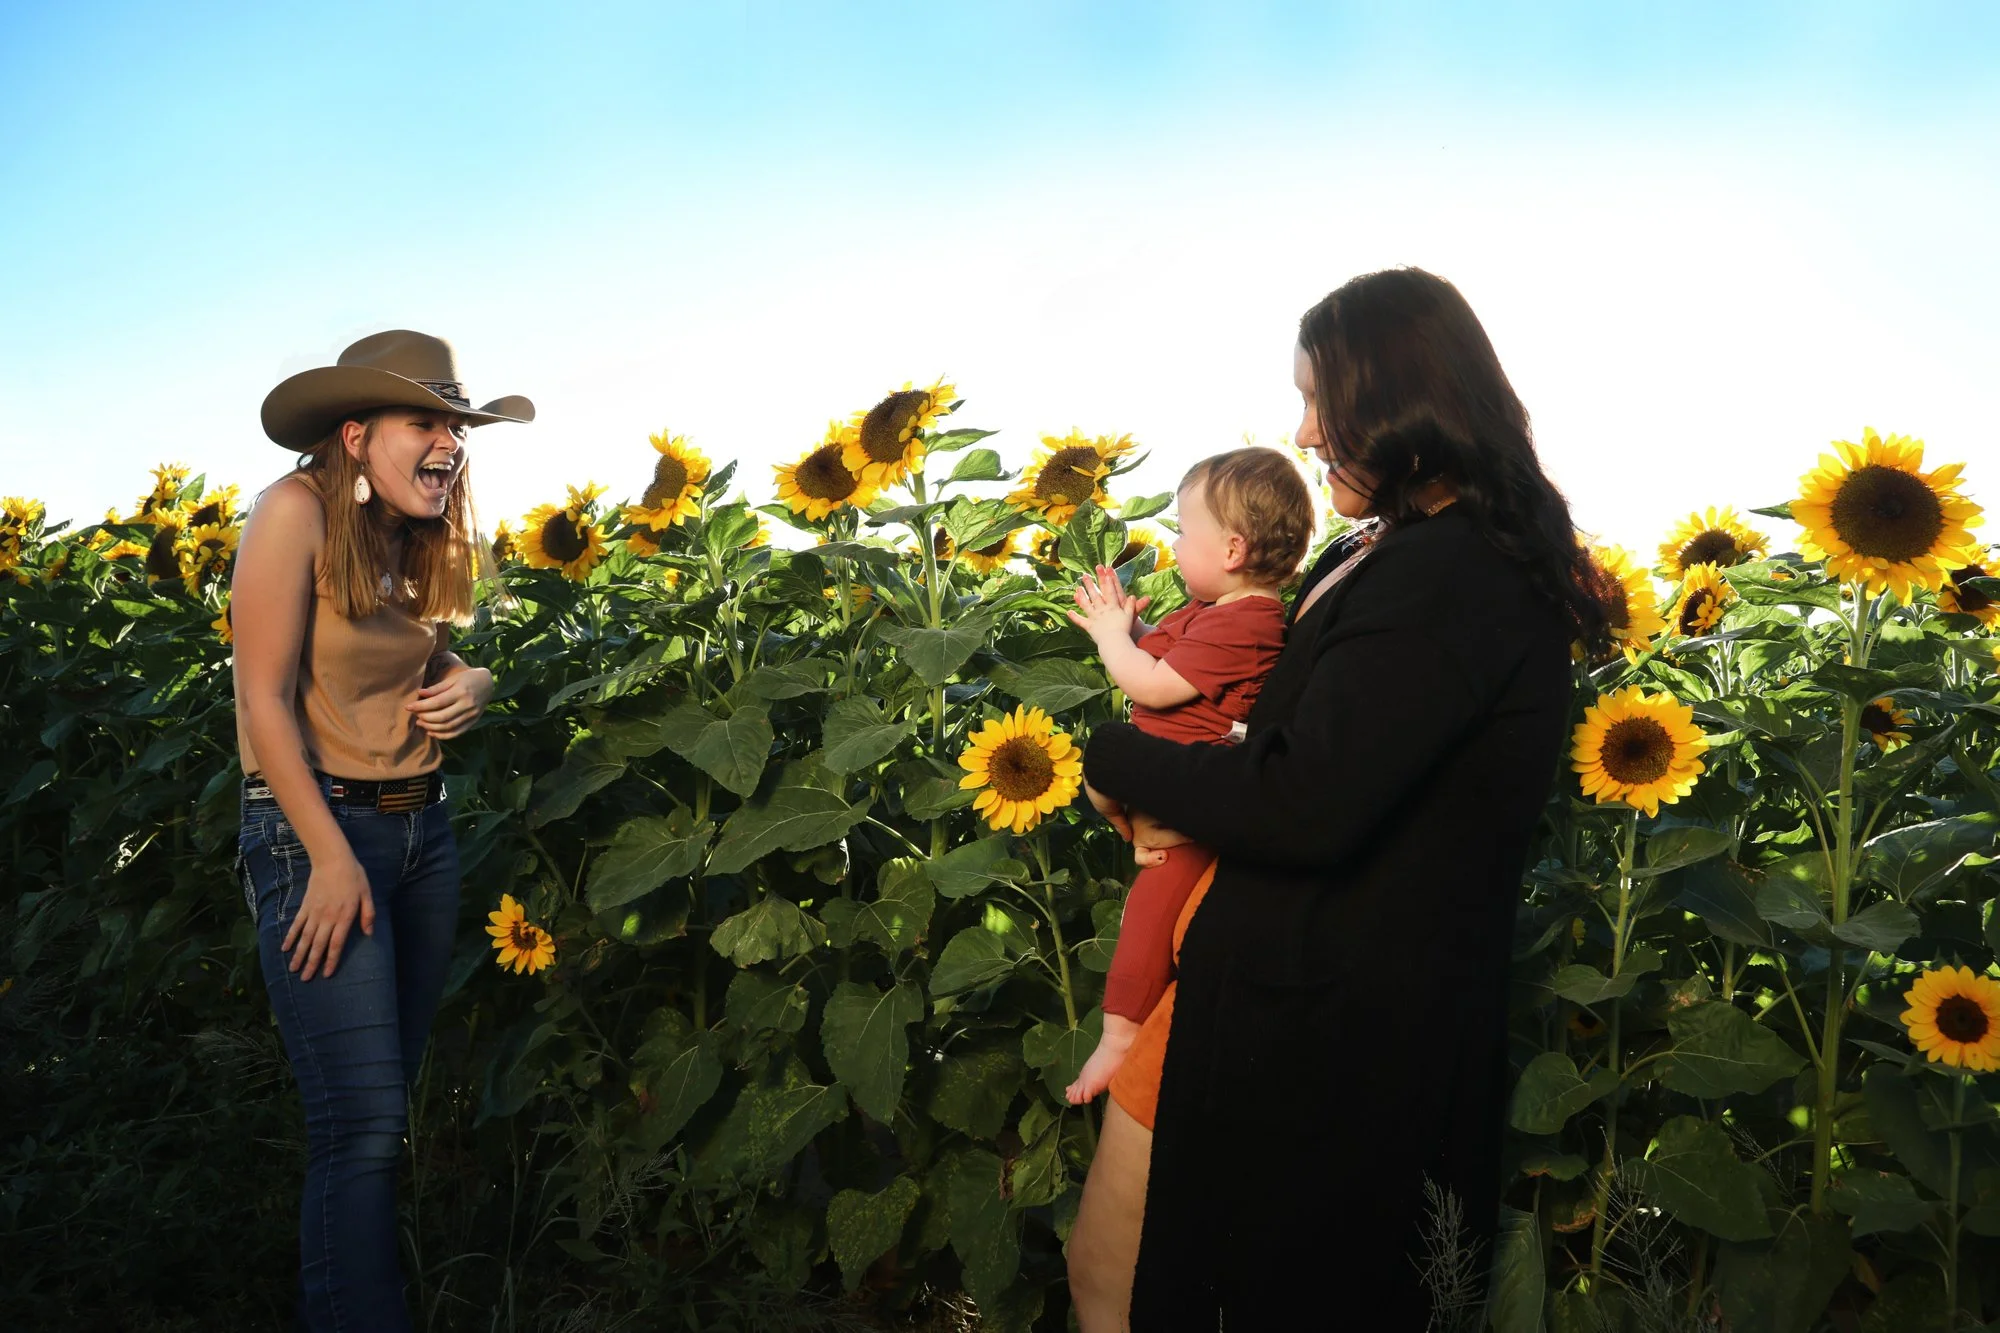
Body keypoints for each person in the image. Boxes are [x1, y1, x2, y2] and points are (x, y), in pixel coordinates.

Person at [1069, 269, 1610, 1330]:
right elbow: (1285, 748)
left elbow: (1303, 799)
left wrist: (1116, 757)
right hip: (1251, 989)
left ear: (1401, 399)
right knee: (1109, 1270)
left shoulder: (1454, 577)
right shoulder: (1388, 552)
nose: (1305, 432)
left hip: (1326, 1039)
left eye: (1322, 400)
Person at [232, 330, 531, 1331]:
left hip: (422, 838)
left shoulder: (413, 530)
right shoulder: (292, 512)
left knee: (380, 1117)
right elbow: (262, 700)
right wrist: (325, 855)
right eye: (425, 422)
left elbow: (413, 658)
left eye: (457, 425)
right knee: (358, 1126)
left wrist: (472, 678)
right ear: (357, 435)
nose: (449, 443)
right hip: (317, 835)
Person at [1061, 447, 1313, 1109]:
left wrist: (1112, 641)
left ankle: (1119, 1035)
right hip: (1154, 783)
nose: (1172, 544)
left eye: (1181, 530)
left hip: (1187, 803)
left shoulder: (1250, 623)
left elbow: (1151, 683)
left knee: (1149, 916)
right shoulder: (1212, 611)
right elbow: (1165, 651)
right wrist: (1130, 625)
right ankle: (1130, 832)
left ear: (1231, 549)